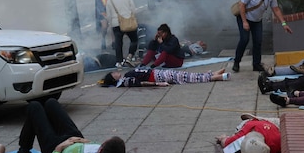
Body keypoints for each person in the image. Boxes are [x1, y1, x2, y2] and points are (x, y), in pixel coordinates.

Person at [233, 0, 293, 72]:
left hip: (257, 20)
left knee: (258, 41)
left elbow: (276, 9)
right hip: (244, 18)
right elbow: (242, 5)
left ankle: (256, 64)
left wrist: (284, 24)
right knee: (244, 39)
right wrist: (244, 22)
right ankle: (236, 62)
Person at [215, 115, 281, 153]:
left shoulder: (244, 132)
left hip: (261, 124)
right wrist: (224, 138)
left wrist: (222, 138)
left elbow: (226, 143)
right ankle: (252, 118)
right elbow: (226, 143)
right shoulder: (276, 142)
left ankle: (252, 118)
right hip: (262, 123)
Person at [98, 66, 230, 87]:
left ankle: (211, 74)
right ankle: (215, 77)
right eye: (114, 74)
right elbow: (141, 83)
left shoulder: (125, 77)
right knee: (185, 77)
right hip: (157, 77)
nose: (116, 72)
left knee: (184, 75)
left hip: (157, 73)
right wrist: (158, 84)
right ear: (114, 78)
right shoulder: (126, 81)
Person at [106, 0, 139, 67]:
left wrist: (111, 25)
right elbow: (133, 10)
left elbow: (109, 16)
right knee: (134, 40)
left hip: (116, 24)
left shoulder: (110, 0)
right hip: (128, 22)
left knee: (118, 43)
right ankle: (129, 57)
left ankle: (119, 62)